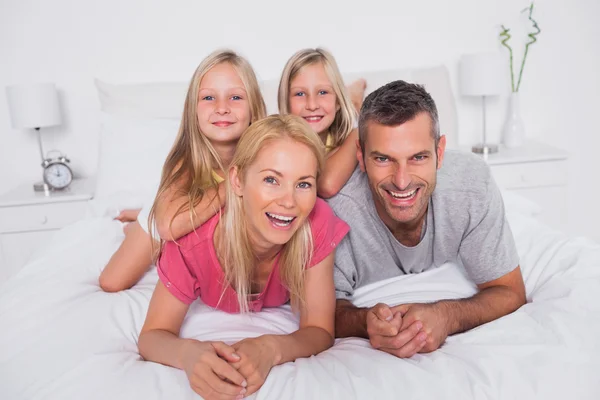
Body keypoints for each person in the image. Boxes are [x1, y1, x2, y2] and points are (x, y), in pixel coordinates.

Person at [138, 114, 349, 399]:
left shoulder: (317, 223)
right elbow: (153, 335)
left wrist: (270, 348)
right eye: (272, 180)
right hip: (186, 225)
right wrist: (188, 354)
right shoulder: (192, 244)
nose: (288, 201)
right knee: (136, 243)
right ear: (236, 181)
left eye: (303, 184)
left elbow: (319, 330)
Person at [329, 80, 527, 358]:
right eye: (383, 159)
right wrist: (365, 322)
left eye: (418, 157)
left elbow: (510, 292)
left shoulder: (471, 185)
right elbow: (323, 314)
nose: (402, 181)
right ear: (361, 158)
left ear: (440, 152)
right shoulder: (337, 211)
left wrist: (447, 316)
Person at [98, 49, 267, 292]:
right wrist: (233, 183)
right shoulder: (186, 160)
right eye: (209, 98)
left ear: (254, 107)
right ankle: (137, 221)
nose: (222, 108)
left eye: (236, 98)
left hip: (205, 224)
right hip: (174, 212)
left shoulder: (268, 154)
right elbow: (168, 226)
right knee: (112, 282)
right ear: (193, 110)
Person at [278, 47, 366, 198]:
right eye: (299, 94)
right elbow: (326, 185)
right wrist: (359, 131)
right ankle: (354, 97)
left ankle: (353, 96)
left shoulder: (342, 137)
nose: (312, 105)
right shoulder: (279, 147)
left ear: (338, 101)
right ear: (285, 101)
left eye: (323, 92)